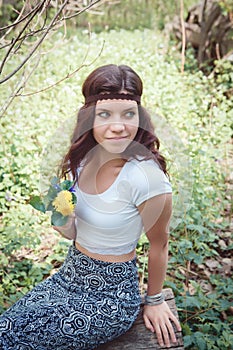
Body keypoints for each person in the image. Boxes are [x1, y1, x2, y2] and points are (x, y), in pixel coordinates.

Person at [0, 64, 181, 349]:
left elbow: (159, 244)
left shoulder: (146, 179)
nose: (118, 126)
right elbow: (73, 234)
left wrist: (155, 300)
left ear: (139, 117)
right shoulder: (82, 161)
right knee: (5, 329)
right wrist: (62, 216)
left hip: (111, 298)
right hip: (69, 276)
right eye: (105, 114)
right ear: (90, 118)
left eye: (128, 114)